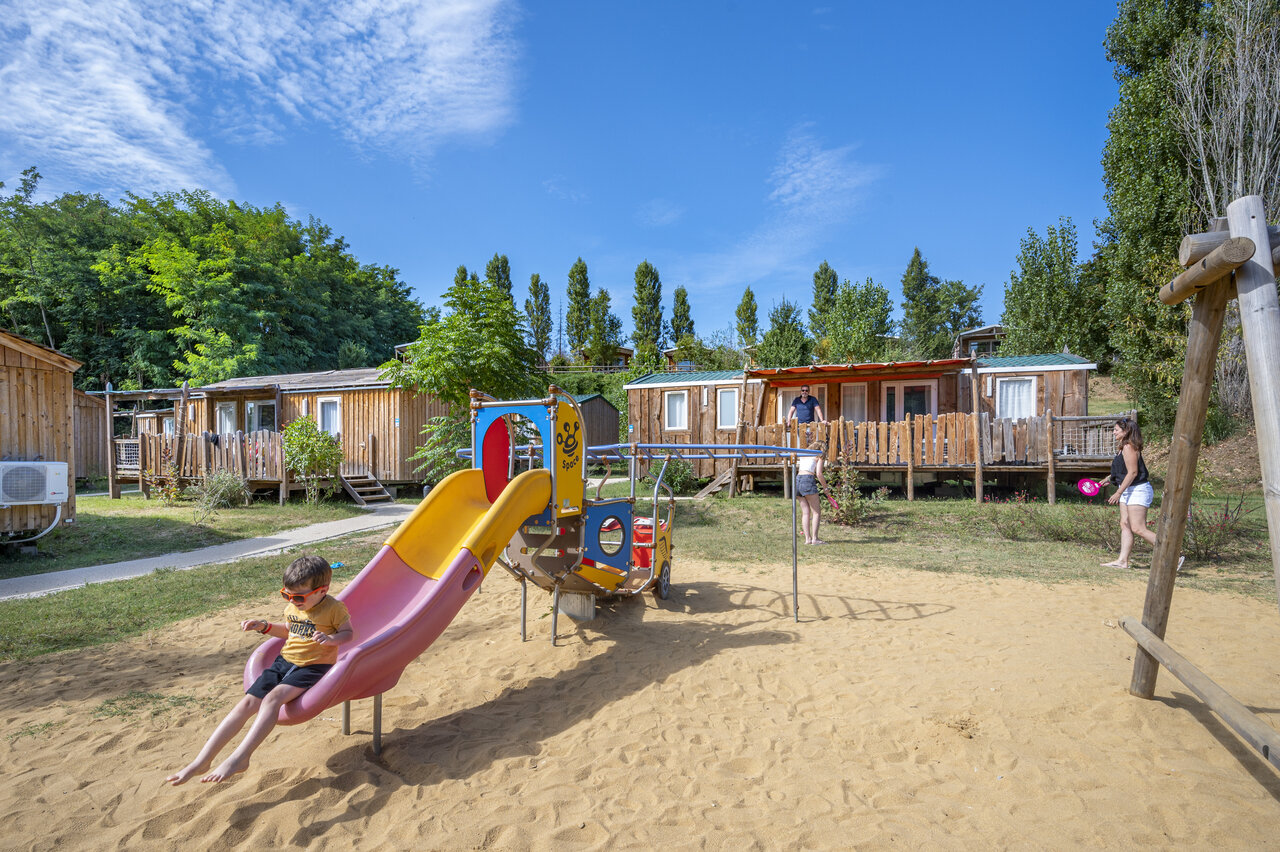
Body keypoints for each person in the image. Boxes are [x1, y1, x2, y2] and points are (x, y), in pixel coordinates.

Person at [165, 555, 353, 785]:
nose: (292, 600)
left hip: (314, 666)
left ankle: (241, 757)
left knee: (273, 699)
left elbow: (348, 634)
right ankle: (201, 761)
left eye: (298, 597)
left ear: (322, 591)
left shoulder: (334, 608)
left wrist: (331, 639)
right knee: (246, 703)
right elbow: (289, 630)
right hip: (284, 662)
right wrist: (265, 626)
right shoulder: (293, 606)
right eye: (286, 595)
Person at [1098, 418, 1181, 572]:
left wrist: (1118, 492)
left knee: (1138, 528)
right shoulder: (1123, 447)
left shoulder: (1129, 447)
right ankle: (1122, 561)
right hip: (1128, 489)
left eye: (1116, 430)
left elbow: (1133, 472)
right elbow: (1124, 470)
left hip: (1137, 490)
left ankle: (1174, 555)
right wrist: (1109, 478)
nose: (1113, 432)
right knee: (1125, 524)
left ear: (1126, 431)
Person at [796, 443, 829, 545]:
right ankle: (815, 539)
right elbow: (819, 473)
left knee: (805, 512)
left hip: (798, 480)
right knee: (816, 512)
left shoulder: (804, 454)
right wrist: (825, 488)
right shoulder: (819, 455)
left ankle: (808, 539)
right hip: (808, 479)